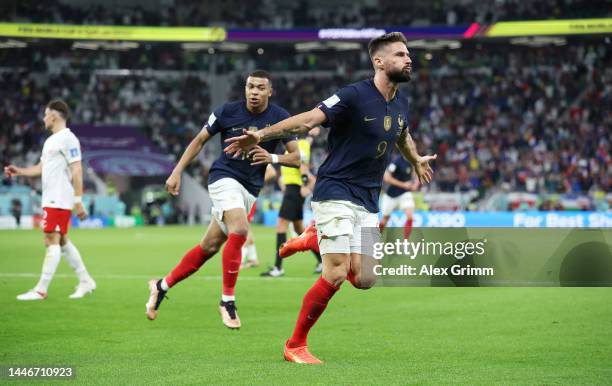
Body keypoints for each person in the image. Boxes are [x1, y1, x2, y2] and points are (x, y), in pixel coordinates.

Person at [225, 32, 436, 363]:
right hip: (335, 189)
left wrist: (415, 158)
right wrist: (262, 134)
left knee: (366, 279)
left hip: (368, 199)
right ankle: (295, 344)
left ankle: (313, 239)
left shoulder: (401, 103)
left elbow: (402, 134)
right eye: (400, 54)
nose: (408, 59)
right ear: (379, 62)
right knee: (335, 273)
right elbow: (309, 119)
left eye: (408, 54)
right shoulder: (353, 95)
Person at [146, 70, 300, 329]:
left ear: (269, 92)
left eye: (260, 88)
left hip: (250, 189)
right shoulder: (226, 111)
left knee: (209, 247)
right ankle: (227, 301)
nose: (254, 92)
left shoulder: (280, 118)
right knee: (240, 229)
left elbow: (296, 158)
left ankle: (161, 286)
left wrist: (271, 158)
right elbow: (199, 140)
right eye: (250, 86)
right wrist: (177, 171)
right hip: (223, 178)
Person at [4, 99, 96, 300]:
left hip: (59, 198)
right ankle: (85, 280)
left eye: (46, 114)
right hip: (52, 198)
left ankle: (41, 289)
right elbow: (40, 168)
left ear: (53, 115)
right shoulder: (50, 141)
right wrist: (19, 171)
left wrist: (78, 200)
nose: (44, 118)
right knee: (62, 240)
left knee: (50, 240)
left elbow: (77, 169)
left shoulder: (68, 138)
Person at [261, 127, 322, 277]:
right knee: (300, 230)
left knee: (281, 224)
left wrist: (306, 185)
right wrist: (311, 136)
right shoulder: (300, 144)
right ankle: (323, 261)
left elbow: (304, 166)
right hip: (291, 189)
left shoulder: (299, 146)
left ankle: (278, 267)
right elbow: (306, 147)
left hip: (294, 190)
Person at [378, 153, 420, 239]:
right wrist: (403, 185)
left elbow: (417, 172)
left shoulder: (413, 161)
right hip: (391, 194)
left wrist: (416, 183)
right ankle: (376, 239)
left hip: (405, 193)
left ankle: (405, 241)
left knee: (410, 217)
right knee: (385, 219)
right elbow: (386, 178)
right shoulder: (396, 161)